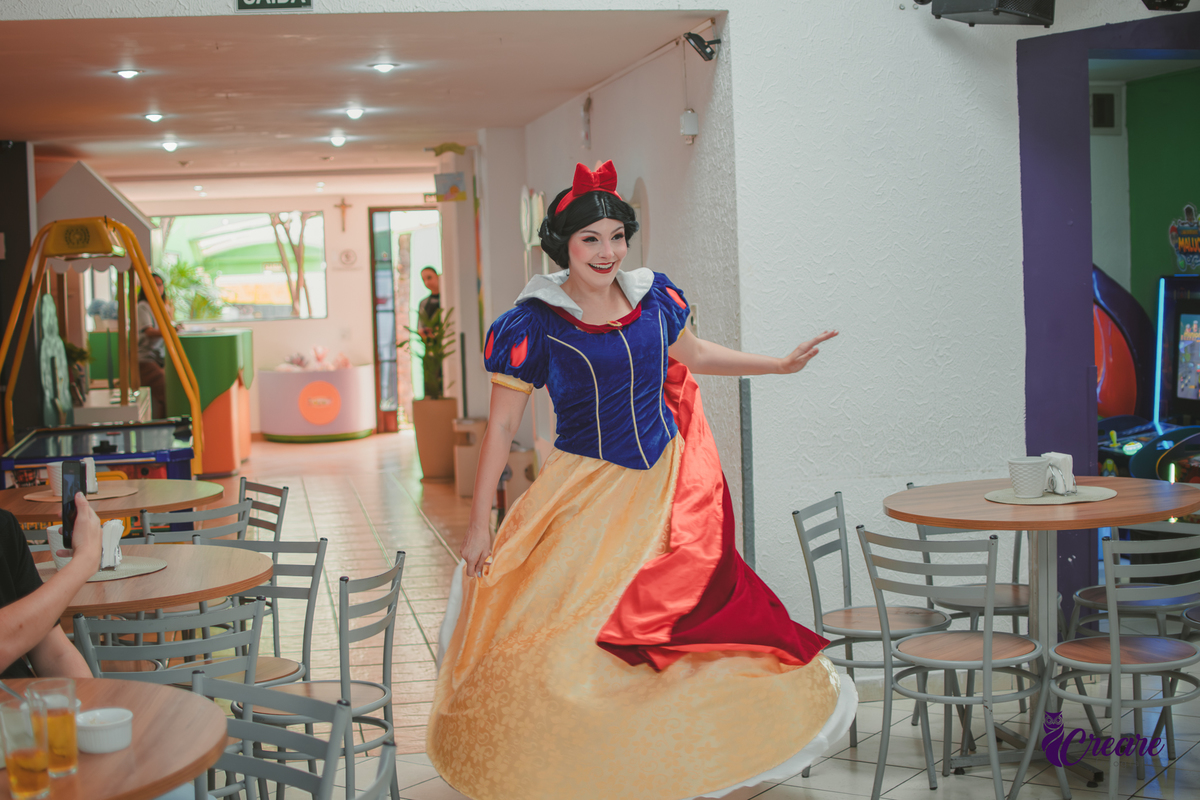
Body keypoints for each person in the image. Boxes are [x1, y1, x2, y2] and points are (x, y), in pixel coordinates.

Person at [427, 161, 856, 800]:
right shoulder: (535, 321)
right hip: (584, 493)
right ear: (563, 246)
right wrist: (482, 521)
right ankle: (575, 768)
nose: (607, 252)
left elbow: (698, 354)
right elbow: (501, 428)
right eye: (590, 239)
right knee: (573, 637)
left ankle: (670, 763)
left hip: (665, 489)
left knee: (677, 625)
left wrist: (778, 365)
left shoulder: (655, 296)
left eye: (616, 237)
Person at [1, 494, 102, 680]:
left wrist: (92, 705)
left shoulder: (4, 526)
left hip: (25, 702)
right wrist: (85, 560)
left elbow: (55, 654)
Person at [137, 272, 172, 419]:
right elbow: (149, 331)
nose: (157, 288)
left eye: (159, 284)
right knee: (167, 392)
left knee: (168, 392)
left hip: (160, 357)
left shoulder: (163, 306)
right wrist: (169, 331)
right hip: (146, 358)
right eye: (153, 285)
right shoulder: (142, 306)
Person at [417, 266, 441, 341]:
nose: (427, 282)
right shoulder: (423, 303)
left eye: (429, 278)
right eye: (423, 280)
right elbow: (420, 326)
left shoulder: (448, 300)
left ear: (438, 277)